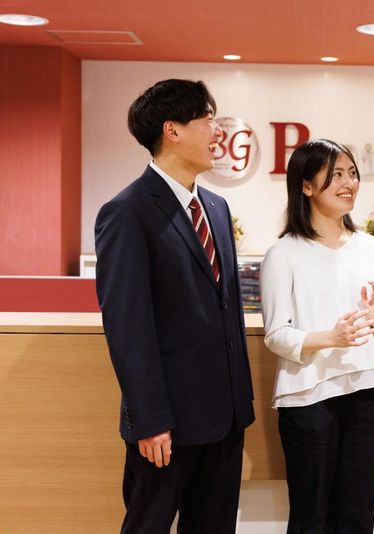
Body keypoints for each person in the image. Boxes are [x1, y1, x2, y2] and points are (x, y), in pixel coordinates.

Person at [95, 79, 255, 533]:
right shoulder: (127, 211)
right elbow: (128, 327)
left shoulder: (216, 208)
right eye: (208, 120)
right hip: (166, 424)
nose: (218, 132)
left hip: (225, 417)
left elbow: (226, 311)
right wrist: (150, 420)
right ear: (173, 130)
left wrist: (239, 403)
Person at [260, 139, 374, 533]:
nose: (348, 183)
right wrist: (330, 338)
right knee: (311, 517)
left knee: (357, 516)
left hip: (366, 393)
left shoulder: (372, 248)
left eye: (352, 173)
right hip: (308, 396)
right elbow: (276, 334)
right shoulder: (283, 253)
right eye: (335, 174)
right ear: (306, 186)